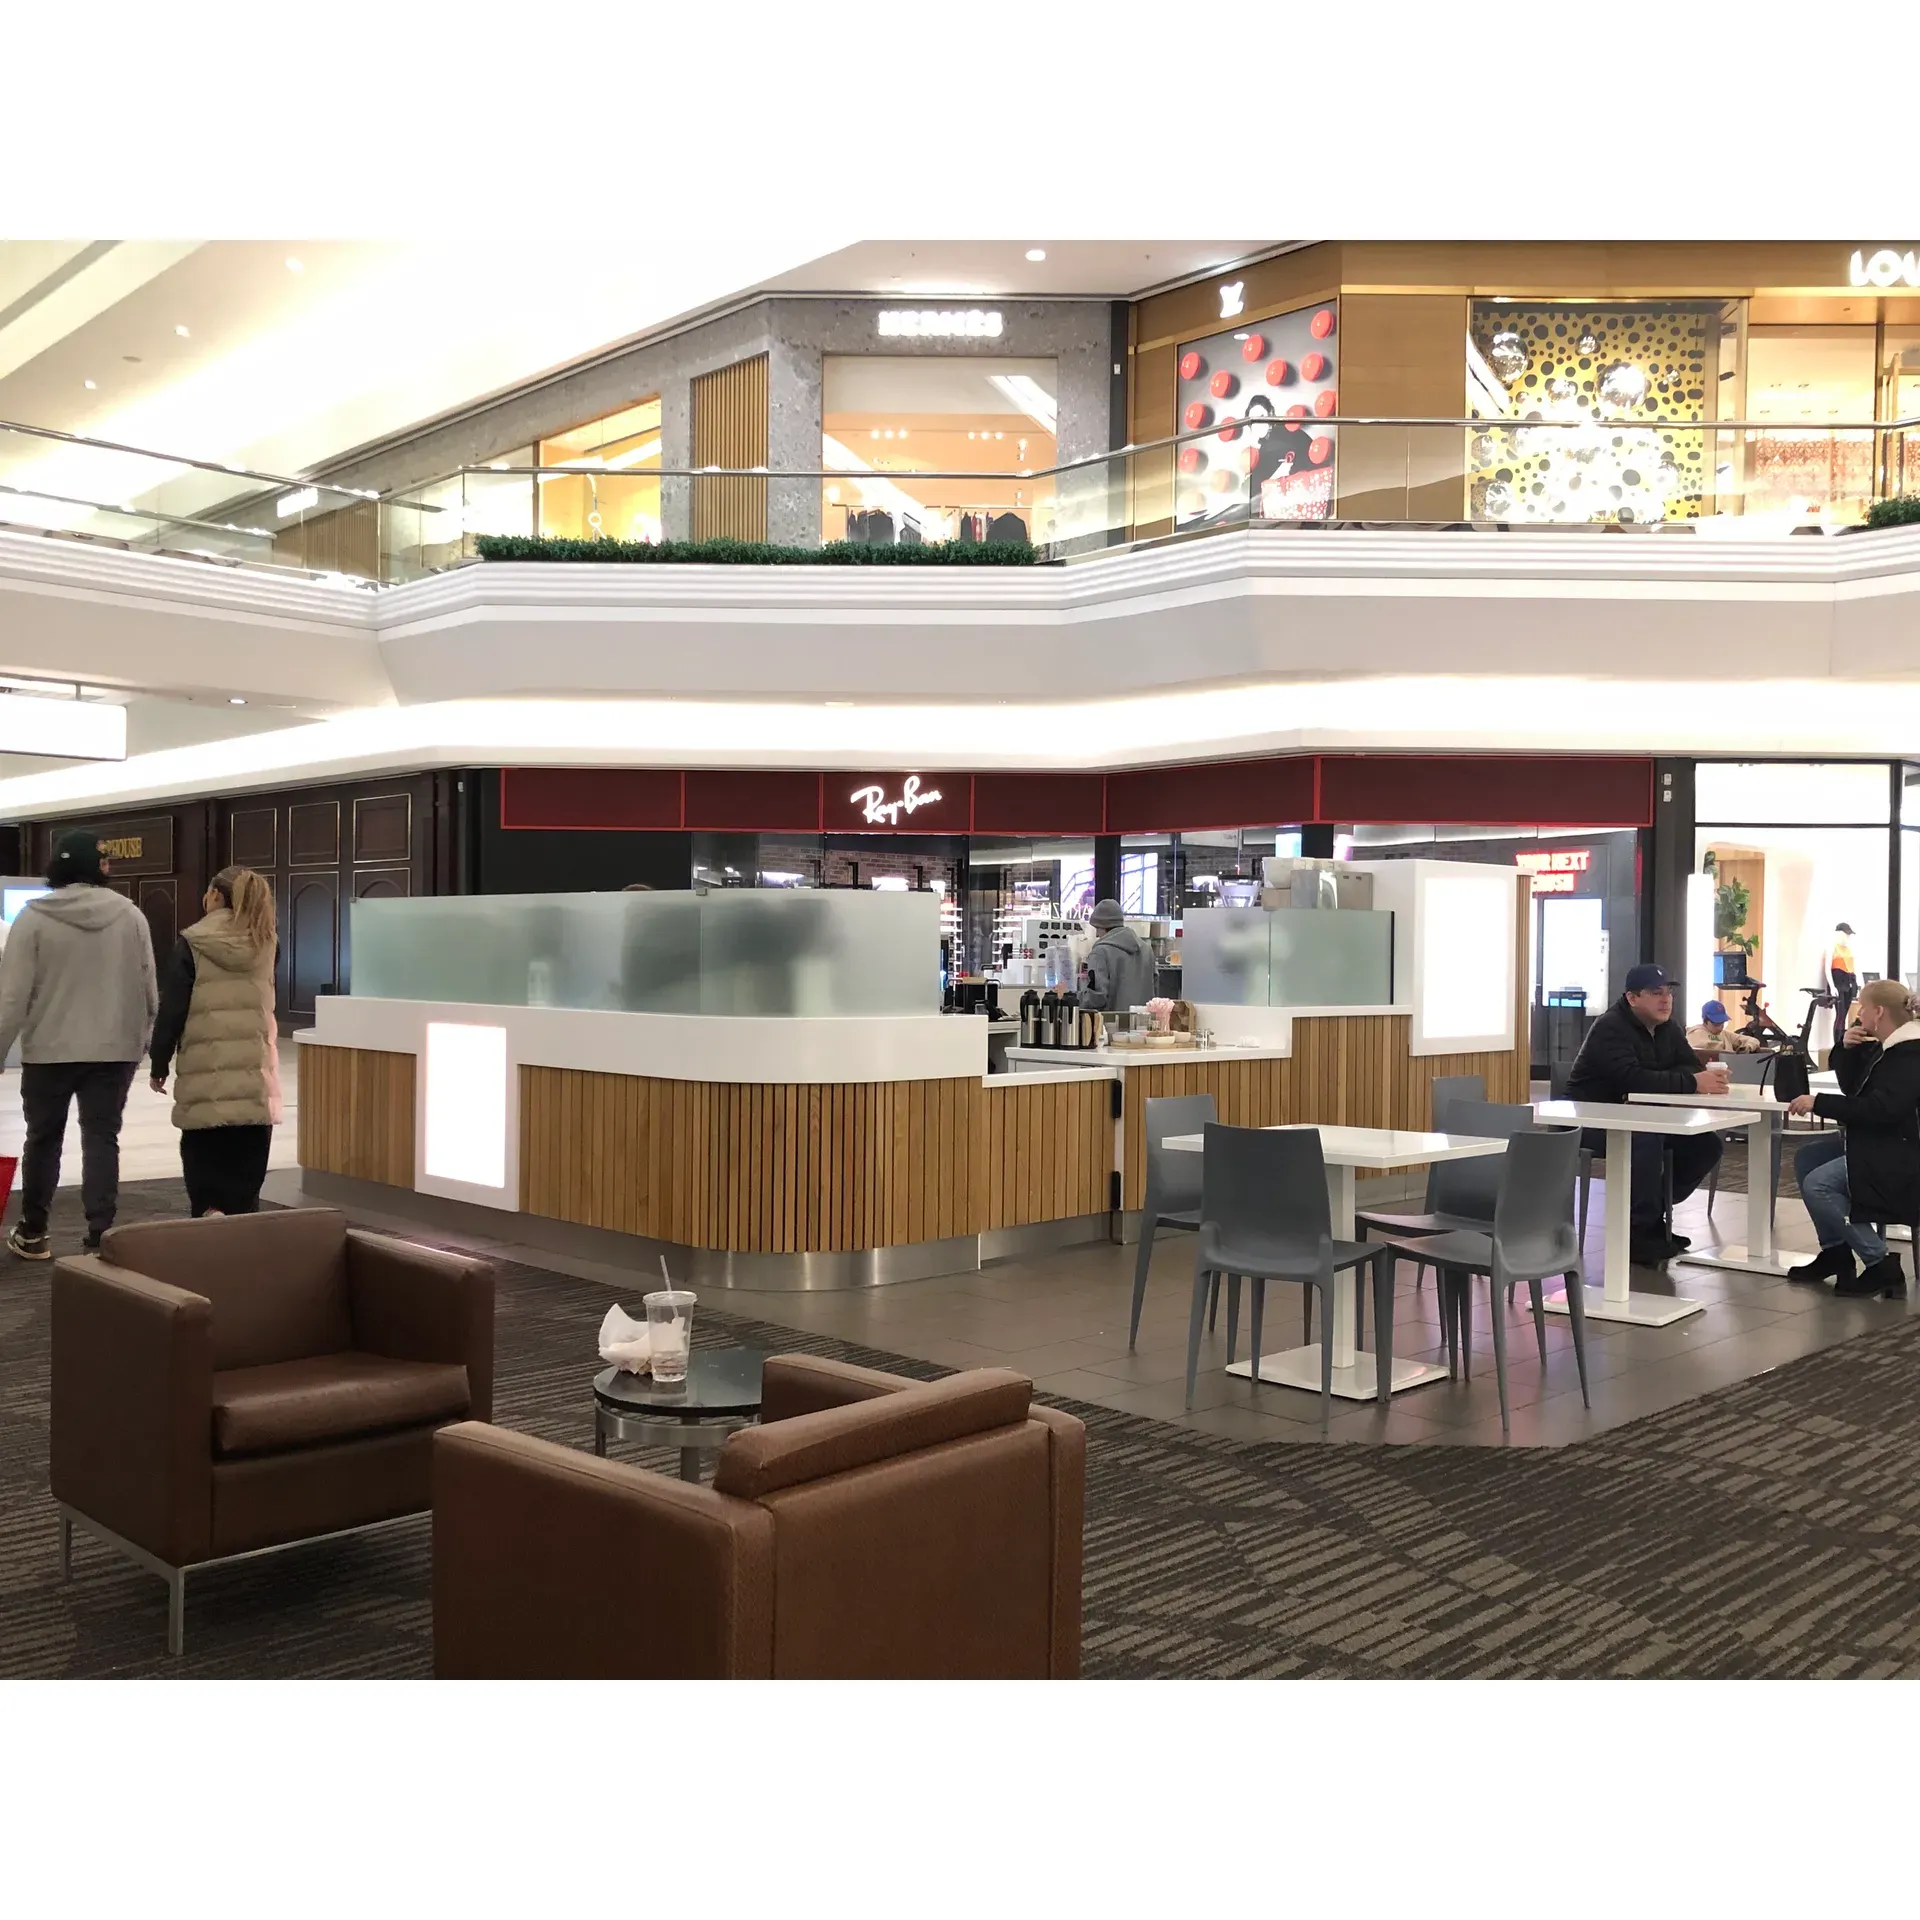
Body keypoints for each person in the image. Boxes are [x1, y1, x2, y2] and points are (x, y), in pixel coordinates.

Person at [0, 830, 157, 1258]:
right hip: (113, 1050)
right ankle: (100, 1236)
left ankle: (34, 1232)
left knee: (43, 1139)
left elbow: (12, 996)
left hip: (49, 1051)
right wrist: (142, 1042)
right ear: (97, 867)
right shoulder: (130, 915)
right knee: (102, 1138)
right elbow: (148, 989)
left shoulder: (32, 918)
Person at [1566, 962, 1729, 1267]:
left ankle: (1652, 1217)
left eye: (1669, 992)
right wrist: (1689, 1082)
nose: (1666, 1000)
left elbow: (1689, 1066)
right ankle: (1640, 1232)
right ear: (1632, 998)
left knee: (1706, 1145)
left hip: (1642, 1117)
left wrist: (1675, 1078)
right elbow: (1630, 1079)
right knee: (1646, 1138)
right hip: (1590, 1118)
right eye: (1656, 993)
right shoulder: (1610, 1027)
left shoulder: (1669, 1028)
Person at [147, 866, 281, 1218]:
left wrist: (159, 1062)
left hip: (206, 1076)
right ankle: (240, 1225)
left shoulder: (194, 942)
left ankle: (209, 1214)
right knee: (246, 1175)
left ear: (216, 896)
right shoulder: (267, 942)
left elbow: (173, 1010)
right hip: (254, 1076)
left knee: (204, 1163)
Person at [1785, 978, 1920, 1298]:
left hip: (1903, 1156)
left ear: (1878, 1012)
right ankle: (1836, 1251)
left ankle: (1881, 1263)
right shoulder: (1886, 1048)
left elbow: (1881, 1109)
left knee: (1819, 1184)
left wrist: (1819, 1102)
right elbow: (1854, 1088)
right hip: (1883, 1143)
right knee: (1808, 1158)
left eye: (1862, 1007)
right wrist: (1846, 1049)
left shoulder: (1910, 1056)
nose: (1858, 1014)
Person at [1076, 899, 1157, 1019]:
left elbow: (1097, 998)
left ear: (1102, 926)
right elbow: (1155, 989)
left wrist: (1075, 998)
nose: (1097, 935)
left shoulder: (1100, 952)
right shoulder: (1147, 950)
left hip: (1111, 1024)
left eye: (1097, 928)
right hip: (1144, 1023)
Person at [1686, 999, 1761, 1054]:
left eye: (1722, 1023)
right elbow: (1704, 1052)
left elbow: (1753, 1040)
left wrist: (1748, 1047)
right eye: (1716, 1024)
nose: (1720, 1027)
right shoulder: (1696, 1034)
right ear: (1705, 1021)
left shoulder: (1725, 1034)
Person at [1824, 922, 1858, 1035]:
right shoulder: (1832, 947)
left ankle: (1842, 1038)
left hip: (1849, 982)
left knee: (1844, 1015)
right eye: (1846, 934)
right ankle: (1838, 1041)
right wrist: (1832, 986)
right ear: (1839, 933)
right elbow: (1827, 969)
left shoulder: (1848, 949)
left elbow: (1852, 967)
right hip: (1838, 983)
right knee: (1840, 1015)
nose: (1847, 937)